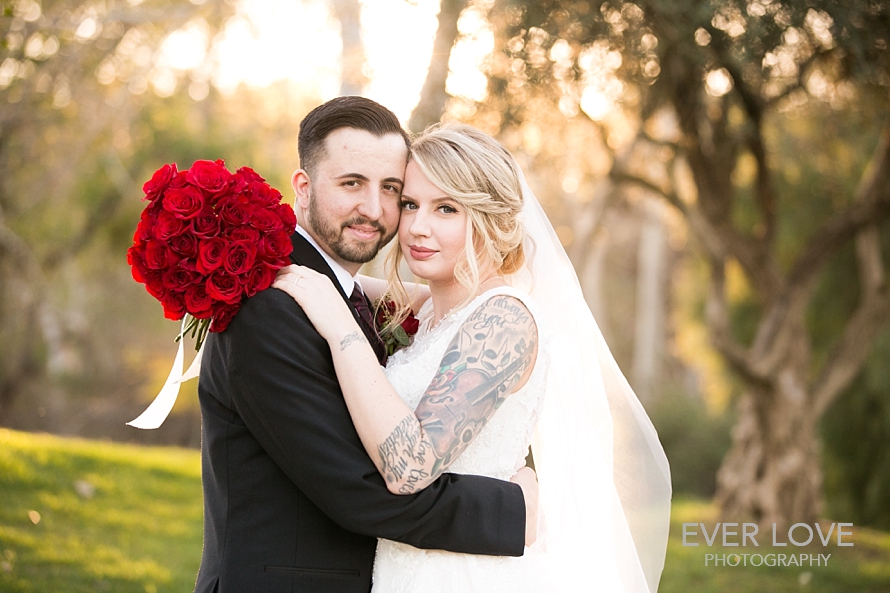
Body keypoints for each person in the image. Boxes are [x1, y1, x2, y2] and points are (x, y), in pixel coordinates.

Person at [274, 123, 673, 592]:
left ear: (491, 219)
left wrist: (339, 326)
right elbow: (337, 279)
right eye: (410, 204)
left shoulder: (504, 319)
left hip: (467, 575)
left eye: (446, 208)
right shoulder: (432, 311)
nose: (417, 227)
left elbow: (410, 467)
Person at [194, 97, 537, 593]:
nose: (379, 211)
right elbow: (358, 488)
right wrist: (510, 511)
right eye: (352, 183)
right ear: (303, 188)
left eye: (392, 190)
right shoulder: (275, 307)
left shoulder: (359, 299)